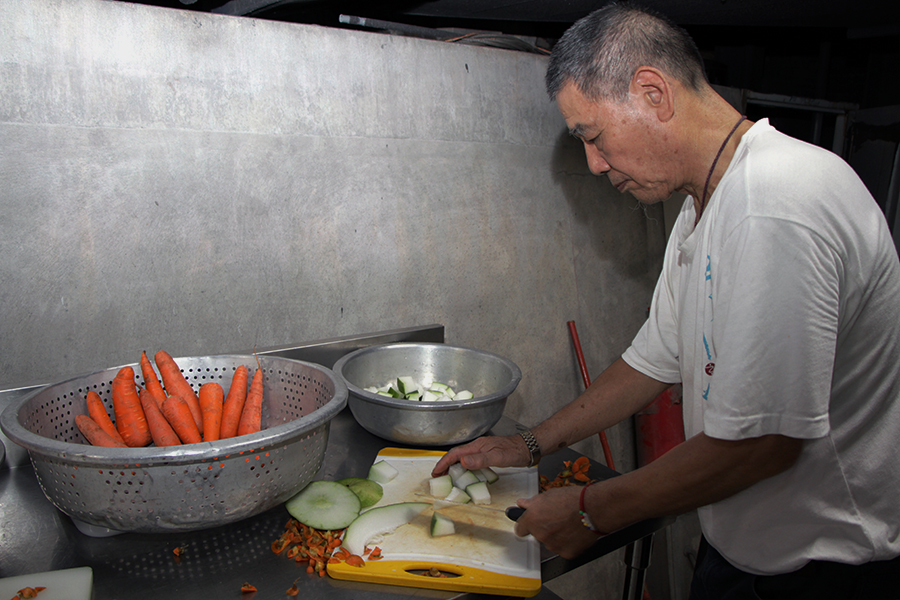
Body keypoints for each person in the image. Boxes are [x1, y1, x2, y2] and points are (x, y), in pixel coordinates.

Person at [432, 3, 900, 598]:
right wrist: (528, 443)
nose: (595, 165)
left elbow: (761, 445)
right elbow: (653, 359)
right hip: (741, 548)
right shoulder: (702, 207)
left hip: (820, 571)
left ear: (653, 93)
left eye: (594, 137)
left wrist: (590, 509)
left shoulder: (775, 203)